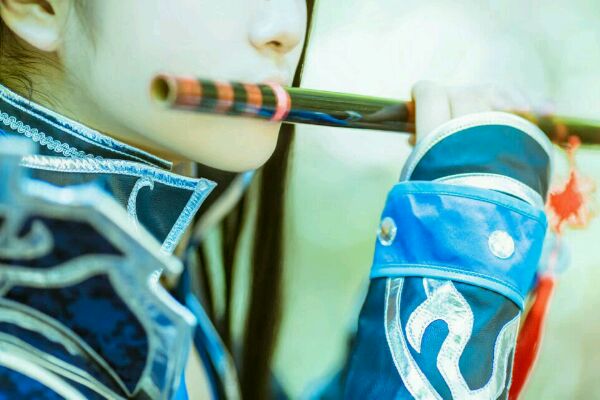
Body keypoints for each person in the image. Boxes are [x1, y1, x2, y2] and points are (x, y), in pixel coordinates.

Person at [0, 1, 551, 399]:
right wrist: (458, 256)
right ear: (37, 5)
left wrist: (451, 268)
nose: (284, 26)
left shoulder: (167, 278)